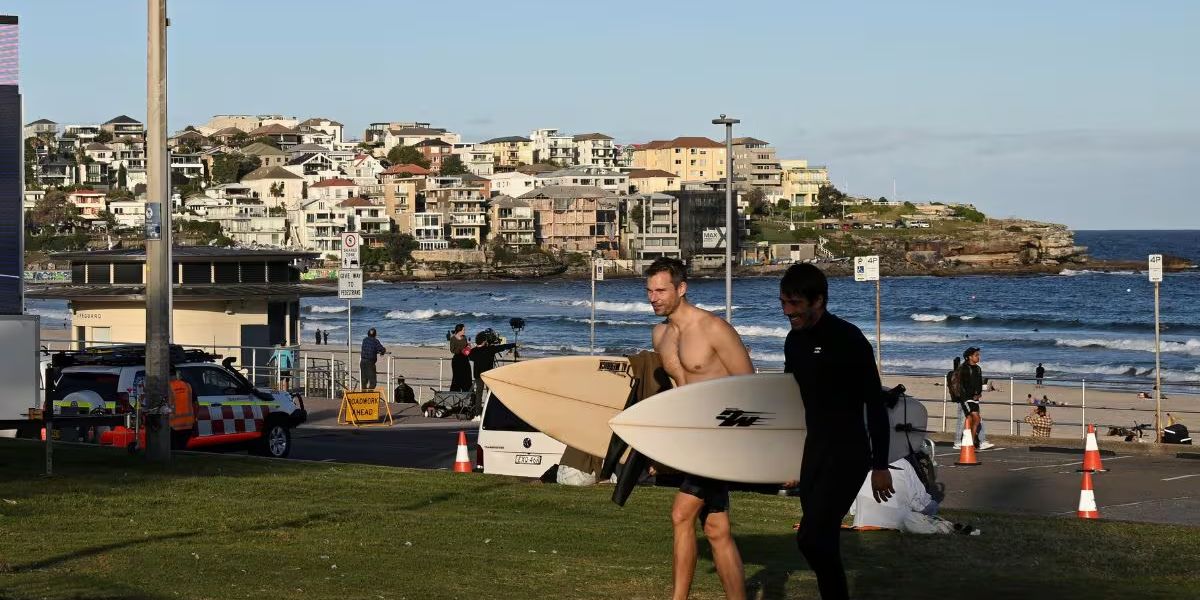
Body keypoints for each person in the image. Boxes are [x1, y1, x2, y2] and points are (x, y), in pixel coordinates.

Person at [778, 264, 893, 600]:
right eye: (783, 302)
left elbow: (874, 404)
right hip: (814, 452)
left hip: (848, 454)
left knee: (809, 538)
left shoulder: (848, 339)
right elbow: (791, 404)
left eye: (795, 303)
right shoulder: (793, 342)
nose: (787, 311)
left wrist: (880, 465)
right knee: (824, 541)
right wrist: (783, 459)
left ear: (819, 300)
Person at [644, 257, 752, 600]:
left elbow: (750, 387)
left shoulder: (713, 329)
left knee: (681, 513)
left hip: (720, 438)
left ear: (682, 288)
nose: (653, 298)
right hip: (692, 441)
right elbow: (676, 394)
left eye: (661, 290)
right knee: (716, 528)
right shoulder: (660, 333)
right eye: (649, 291)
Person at [468, 330, 518, 414]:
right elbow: (503, 347)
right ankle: (491, 412)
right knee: (489, 394)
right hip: (488, 374)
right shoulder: (490, 349)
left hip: (478, 374)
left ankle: (477, 413)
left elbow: (470, 357)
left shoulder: (473, 351)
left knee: (478, 394)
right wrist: (514, 344)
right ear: (484, 341)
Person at [447, 324, 473, 392]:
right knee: (457, 377)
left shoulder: (464, 337)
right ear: (459, 330)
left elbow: (466, 346)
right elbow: (452, 350)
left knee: (467, 377)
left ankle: (467, 393)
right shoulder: (453, 338)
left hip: (465, 359)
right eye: (463, 330)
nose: (464, 331)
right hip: (457, 360)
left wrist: (469, 345)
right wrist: (462, 350)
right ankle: (455, 393)